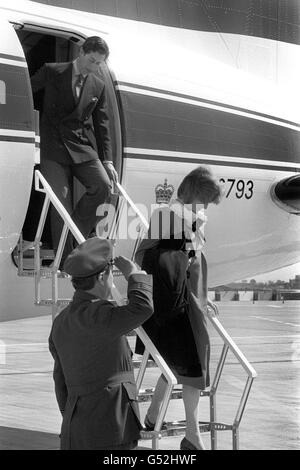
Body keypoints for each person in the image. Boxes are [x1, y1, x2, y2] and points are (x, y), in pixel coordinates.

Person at [135, 166, 222, 450]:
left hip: (186, 300)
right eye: (205, 200)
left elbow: (192, 262)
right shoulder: (167, 216)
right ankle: (193, 435)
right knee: (192, 363)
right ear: (193, 194)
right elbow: (153, 259)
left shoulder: (190, 219)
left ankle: (153, 415)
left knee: (181, 362)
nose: (207, 207)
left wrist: (202, 294)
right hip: (174, 303)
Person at [48, 237, 153, 450]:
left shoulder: (61, 322)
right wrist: (135, 274)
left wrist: (71, 417)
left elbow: (60, 380)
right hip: (111, 429)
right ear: (103, 276)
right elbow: (143, 307)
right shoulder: (101, 315)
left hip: (75, 430)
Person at [31, 36, 118, 261]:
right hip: (54, 146)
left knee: (102, 185)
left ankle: (72, 233)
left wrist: (107, 161)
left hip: (81, 146)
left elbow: (102, 124)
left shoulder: (97, 84)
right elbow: (25, 90)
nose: (94, 67)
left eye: (99, 63)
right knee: (60, 203)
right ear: (81, 53)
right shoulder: (53, 71)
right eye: (91, 61)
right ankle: (66, 260)